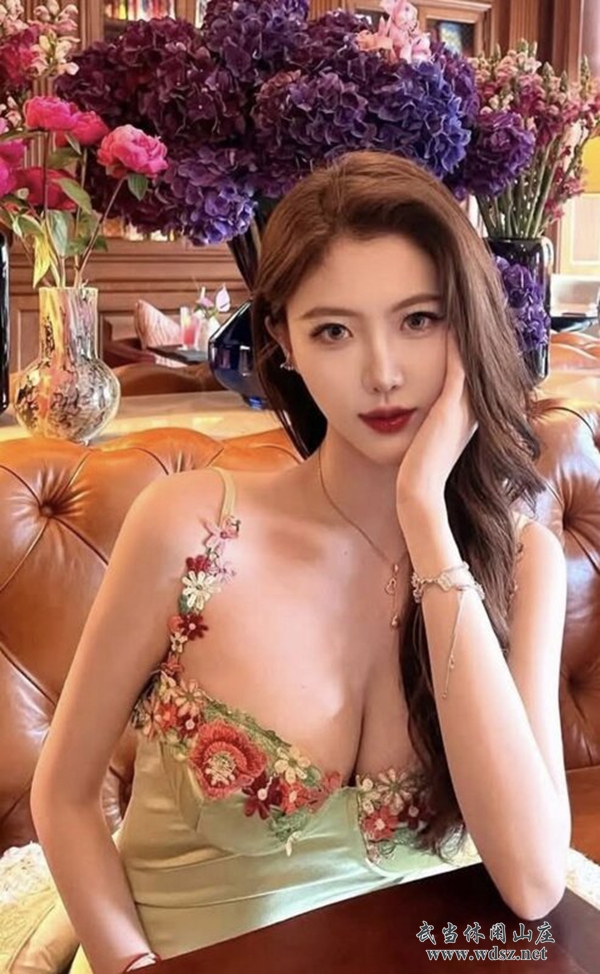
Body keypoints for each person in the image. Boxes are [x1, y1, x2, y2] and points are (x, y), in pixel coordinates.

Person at [31, 151, 571, 974]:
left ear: (469, 326)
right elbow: (64, 798)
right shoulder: (190, 530)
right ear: (283, 340)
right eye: (333, 331)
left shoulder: (521, 559)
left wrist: (425, 519)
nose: (382, 373)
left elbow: (533, 883)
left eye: (419, 320)